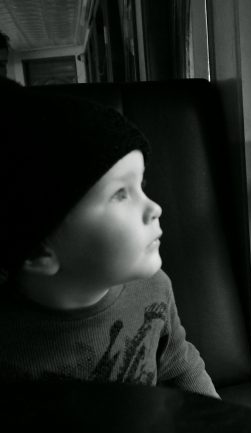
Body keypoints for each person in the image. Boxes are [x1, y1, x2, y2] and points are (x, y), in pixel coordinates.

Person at [0, 79, 218, 398]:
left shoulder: (155, 289)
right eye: (120, 194)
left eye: (141, 185)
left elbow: (180, 366)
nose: (155, 208)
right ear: (38, 250)